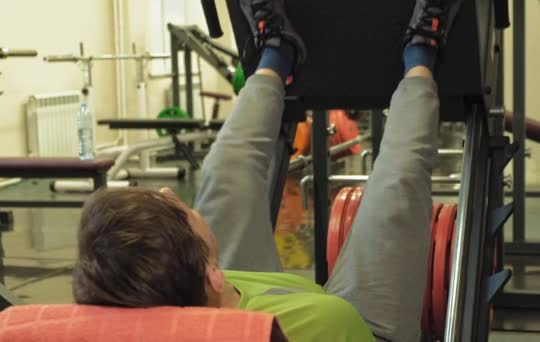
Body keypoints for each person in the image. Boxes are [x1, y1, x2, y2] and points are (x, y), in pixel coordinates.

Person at [73, 0, 463, 341]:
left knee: (224, 172)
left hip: (228, 302)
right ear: (213, 276)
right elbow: (343, 325)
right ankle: (422, 53)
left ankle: (278, 54)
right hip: (360, 329)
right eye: (178, 213)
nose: (169, 193)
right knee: (396, 184)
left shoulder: (159, 291)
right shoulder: (331, 319)